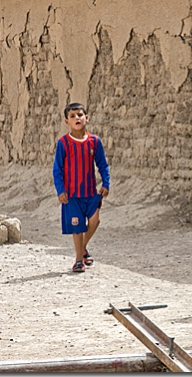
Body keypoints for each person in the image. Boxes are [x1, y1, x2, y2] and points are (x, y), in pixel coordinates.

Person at [53, 103, 110, 273]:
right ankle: (79, 260)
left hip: (91, 193)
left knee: (95, 221)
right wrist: (60, 190)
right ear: (66, 121)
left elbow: (102, 165)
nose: (77, 118)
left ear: (87, 118)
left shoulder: (94, 141)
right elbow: (57, 169)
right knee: (77, 227)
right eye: (72, 116)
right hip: (72, 196)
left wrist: (106, 183)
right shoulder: (63, 143)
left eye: (80, 115)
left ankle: (82, 248)